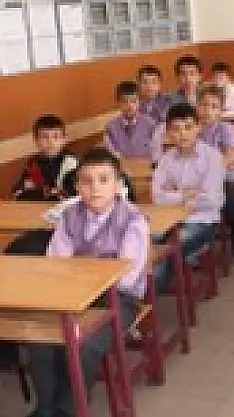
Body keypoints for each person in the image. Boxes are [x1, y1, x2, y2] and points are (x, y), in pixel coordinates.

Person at [26, 148, 149, 417]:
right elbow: (56, 263)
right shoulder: (69, 216)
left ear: (118, 185)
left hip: (120, 299)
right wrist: (77, 281)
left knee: (85, 344)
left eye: (104, 180)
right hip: (71, 296)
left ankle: (68, 409)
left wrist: (80, 273)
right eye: (87, 181)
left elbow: (125, 277)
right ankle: (45, 409)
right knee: (40, 340)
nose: (95, 188)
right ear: (77, 186)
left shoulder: (133, 220)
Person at [152, 103, 224, 290]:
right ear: (168, 132)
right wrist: (187, 194)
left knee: (172, 247)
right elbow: (157, 197)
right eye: (176, 129)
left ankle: (151, 289)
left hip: (202, 221)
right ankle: (140, 289)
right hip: (169, 220)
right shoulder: (166, 159)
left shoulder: (212, 156)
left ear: (198, 128)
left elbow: (212, 200)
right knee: (146, 239)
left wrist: (174, 194)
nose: (182, 134)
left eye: (188, 127)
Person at [196, 83, 234, 254]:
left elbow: (229, 155)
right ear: (197, 106)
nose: (208, 110)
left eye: (213, 106)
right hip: (196, 180)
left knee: (231, 203)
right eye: (204, 105)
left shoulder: (225, 128)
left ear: (221, 110)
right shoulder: (192, 129)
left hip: (223, 179)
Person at [11, 115, 78, 201]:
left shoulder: (71, 162)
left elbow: (69, 192)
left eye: (56, 137)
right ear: (36, 141)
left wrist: (40, 192)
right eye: (45, 137)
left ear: (64, 139)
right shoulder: (33, 163)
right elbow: (18, 192)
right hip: (40, 205)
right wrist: (24, 187)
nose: (50, 142)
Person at [104, 80, 158, 159]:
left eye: (134, 101)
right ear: (118, 103)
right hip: (121, 165)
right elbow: (111, 153)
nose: (130, 106)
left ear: (140, 102)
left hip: (146, 164)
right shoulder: (110, 127)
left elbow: (156, 151)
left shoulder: (151, 124)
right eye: (124, 102)